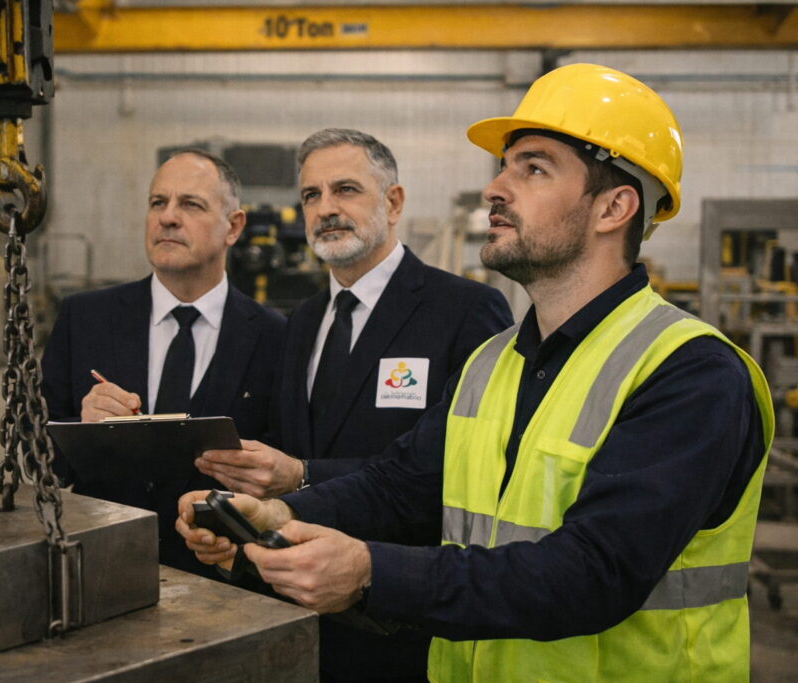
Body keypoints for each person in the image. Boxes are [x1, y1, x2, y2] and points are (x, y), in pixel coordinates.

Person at [178, 64, 774, 682]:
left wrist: (371, 572)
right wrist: (283, 514)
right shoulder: (496, 361)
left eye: (533, 168)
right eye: (504, 166)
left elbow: (594, 572)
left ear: (614, 206)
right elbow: (401, 483)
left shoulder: (690, 372)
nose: (495, 187)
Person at [195, 129, 511, 682]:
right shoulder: (302, 322)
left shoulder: (464, 310)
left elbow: (459, 464)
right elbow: (282, 445)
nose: (326, 209)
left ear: (393, 202)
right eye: (312, 195)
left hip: (403, 613)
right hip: (301, 604)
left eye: (345, 190)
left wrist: (302, 476)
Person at [42, 149, 286, 579]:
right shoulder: (85, 319)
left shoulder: (275, 336)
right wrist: (79, 430)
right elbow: (32, 450)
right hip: (101, 561)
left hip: (222, 578)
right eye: (158, 202)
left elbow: (284, 460)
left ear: (234, 226)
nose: (167, 218)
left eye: (190, 204)